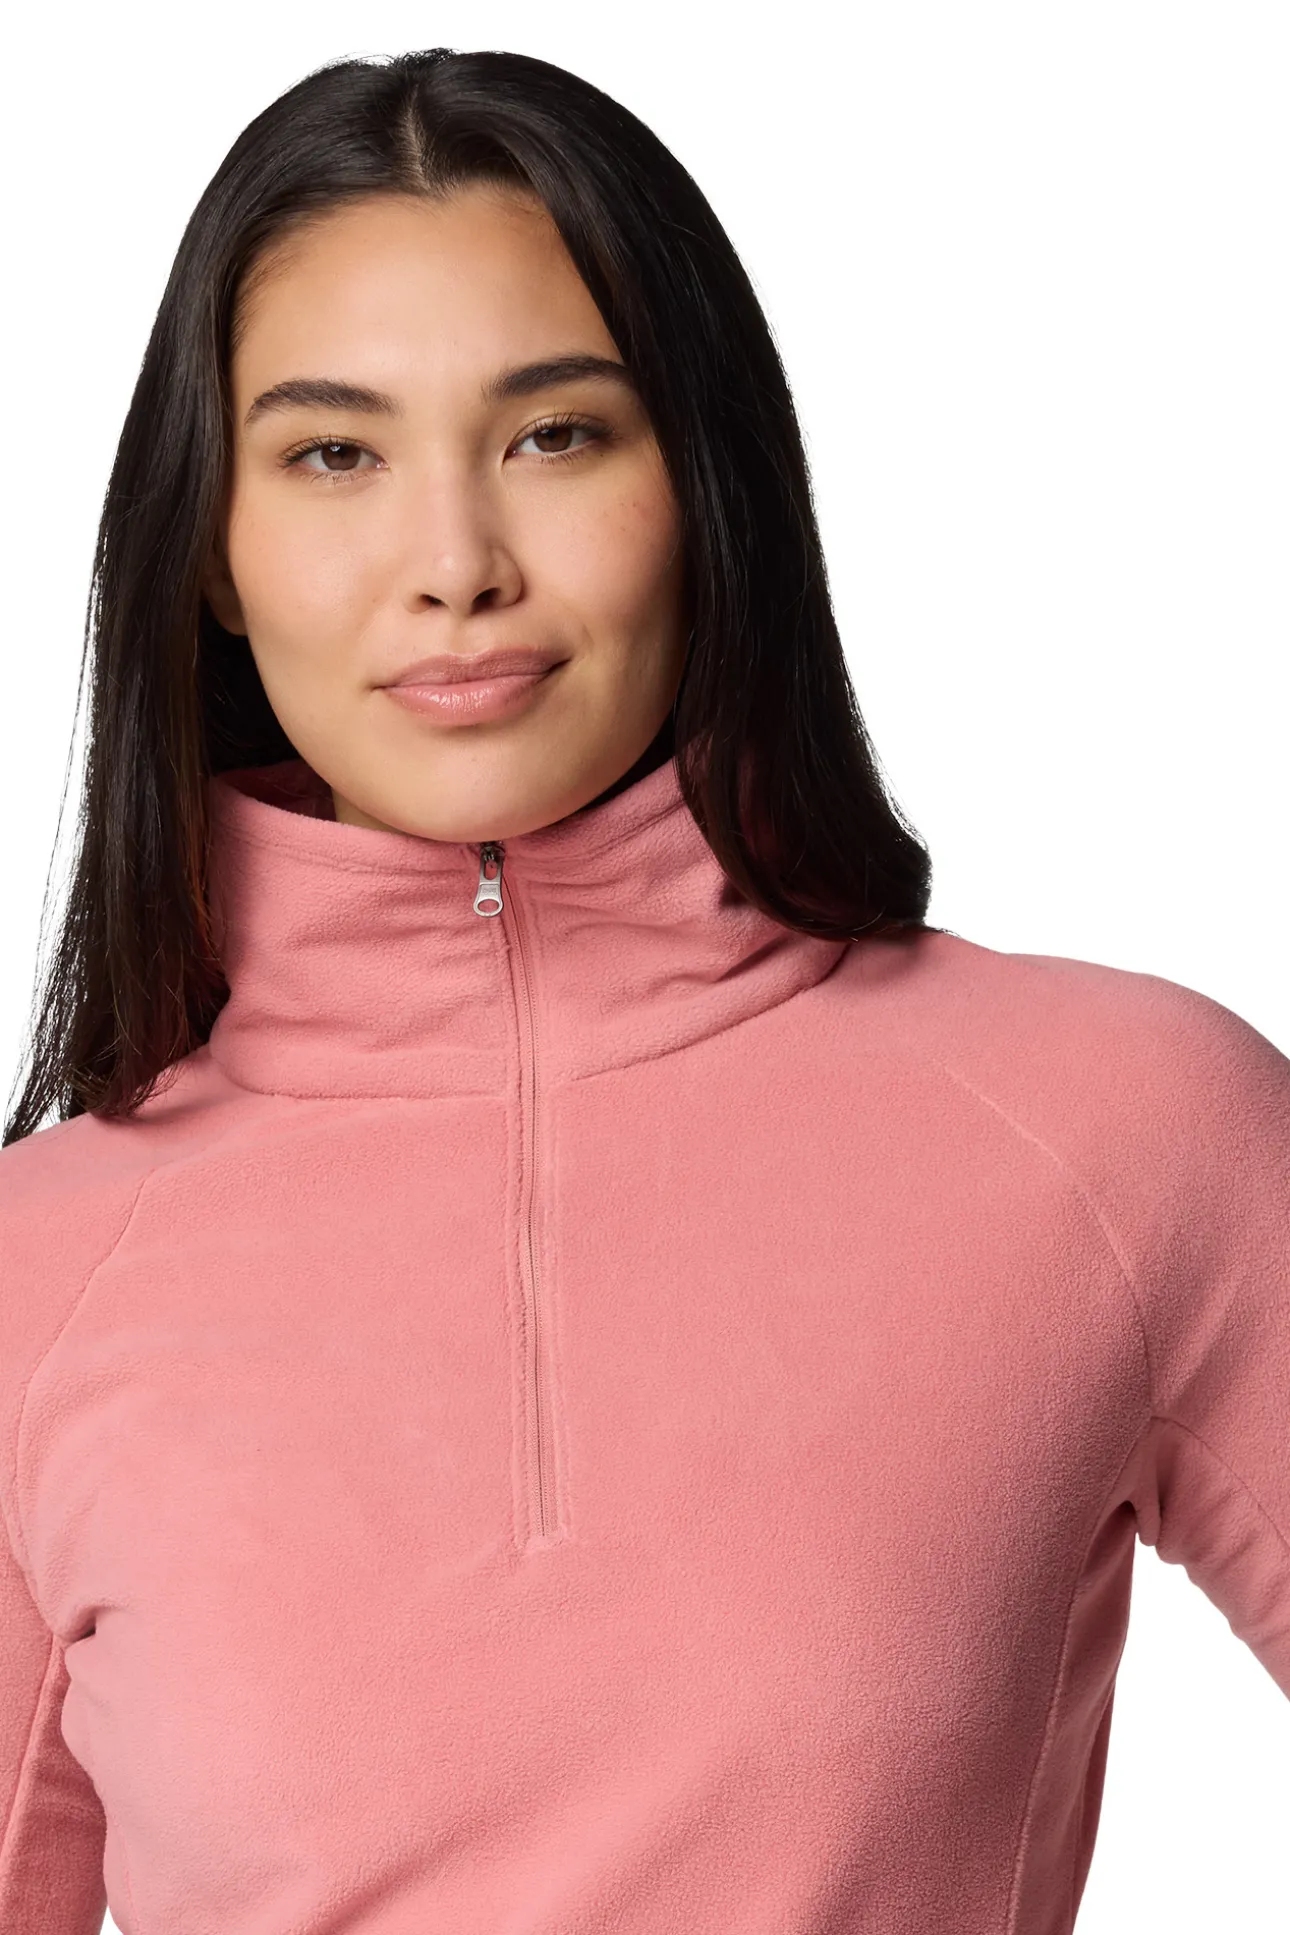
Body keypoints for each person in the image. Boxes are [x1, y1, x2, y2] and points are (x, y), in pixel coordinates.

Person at [0, 45, 1286, 1935]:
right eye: (334, 453)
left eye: (556, 435)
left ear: (705, 483)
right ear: (210, 550)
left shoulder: (1118, 1126)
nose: (455, 564)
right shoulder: (34, 1277)